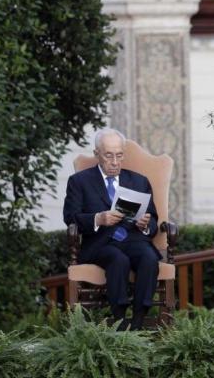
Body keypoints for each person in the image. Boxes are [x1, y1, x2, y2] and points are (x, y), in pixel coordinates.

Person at [63, 128, 160, 330]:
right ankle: (119, 320)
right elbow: (70, 218)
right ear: (97, 154)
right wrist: (98, 218)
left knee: (149, 258)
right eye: (109, 155)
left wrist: (145, 225)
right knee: (118, 259)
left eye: (119, 155)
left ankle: (138, 321)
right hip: (100, 244)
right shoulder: (79, 182)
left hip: (133, 240)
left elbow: (153, 222)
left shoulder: (139, 181)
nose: (115, 162)